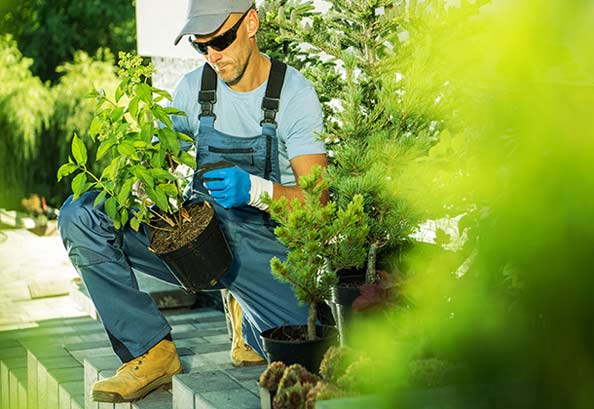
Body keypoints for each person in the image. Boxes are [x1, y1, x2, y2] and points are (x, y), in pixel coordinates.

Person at [57, 0, 327, 403]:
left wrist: (257, 191)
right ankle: (150, 350)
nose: (213, 55)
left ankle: (246, 314)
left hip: (267, 255)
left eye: (221, 39)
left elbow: (318, 204)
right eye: (202, 46)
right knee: (82, 215)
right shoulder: (192, 89)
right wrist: (142, 180)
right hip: (197, 242)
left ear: (251, 23)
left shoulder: (293, 94)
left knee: (305, 356)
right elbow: (156, 164)